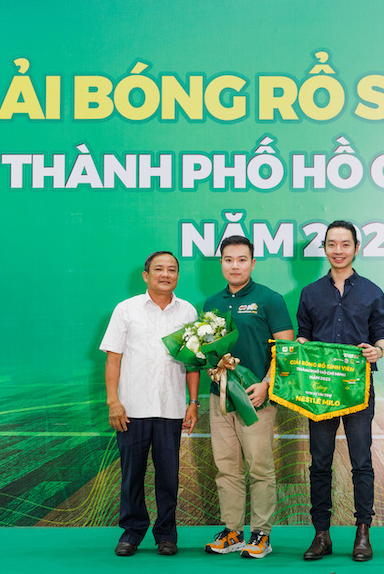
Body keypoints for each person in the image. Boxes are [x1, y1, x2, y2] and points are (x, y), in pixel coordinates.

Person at [296, 221, 384, 563]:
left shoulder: (372, 291)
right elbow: (303, 333)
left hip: (357, 388)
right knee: (319, 462)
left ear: (356, 247)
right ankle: (321, 534)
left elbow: (382, 333)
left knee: (361, 461)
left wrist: (378, 350)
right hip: (320, 390)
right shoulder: (310, 293)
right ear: (324, 248)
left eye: (345, 244)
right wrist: (301, 347)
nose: (338, 250)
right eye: (332, 244)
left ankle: (363, 532)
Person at [100, 251, 200, 557]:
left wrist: (193, 402)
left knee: (169, 476)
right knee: (132, 475)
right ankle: (131, 533)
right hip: (132, 409)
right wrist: (113, 401)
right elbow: (113, 359)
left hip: (171, 408)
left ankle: (166, 535)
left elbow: (193, 363)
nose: (165, 274)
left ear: (178, 276)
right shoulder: (126, 309)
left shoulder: (188, 312)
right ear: (146, 275)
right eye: (159, 269)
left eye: (172, 269)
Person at [203, 235, 294, 559]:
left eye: (242, 260)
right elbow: (209, 351)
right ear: (221, 264)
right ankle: (232, 531)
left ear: (252, 264)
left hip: (256, 398)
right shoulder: (211, 303)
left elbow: (286, 349)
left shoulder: (270, 299)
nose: (235, 266)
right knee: (226, 467)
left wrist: (267, 384)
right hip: (220, 397)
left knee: (259, 468)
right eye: (229, 260)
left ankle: (261, 534)